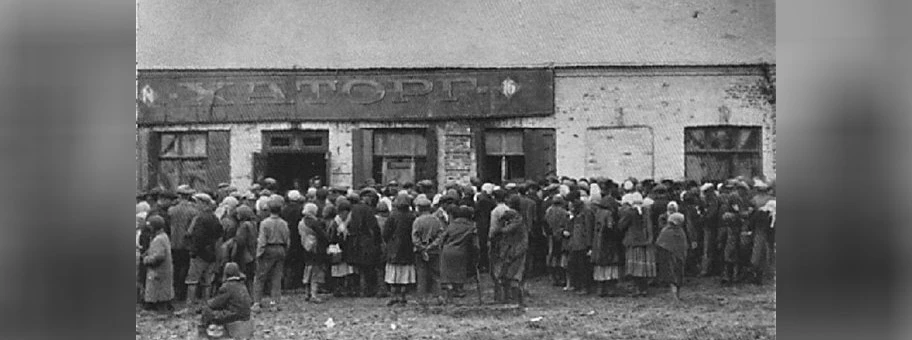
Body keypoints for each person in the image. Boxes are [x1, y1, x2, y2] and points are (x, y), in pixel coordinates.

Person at [182, 193, 224, 313]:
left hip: (200, 254)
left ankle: (189, 307)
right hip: (211, 253)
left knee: (192, 281)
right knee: (207, 282)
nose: (195, 205)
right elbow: (219, 235)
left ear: (203, 203)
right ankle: (206, 305)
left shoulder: (200, 218)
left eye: (197, 202)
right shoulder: (214, 217)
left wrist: (193, 251)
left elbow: (198, 237)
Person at [252, 195, 290, 310]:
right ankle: (274, 303)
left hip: (268, 249)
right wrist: (285, 250)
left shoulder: (265, 223)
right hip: (280, 249)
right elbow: (287, 239)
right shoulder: (284, 223)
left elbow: (262, 240)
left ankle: (257, 302)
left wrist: (259, 253)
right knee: (277, 277)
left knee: (260, 277)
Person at [435, 205, 479, 304]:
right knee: (459, 271)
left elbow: (443, 238)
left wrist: (441, 247)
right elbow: (475, 244)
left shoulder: (452, 225)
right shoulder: (471, 226)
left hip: (447, 250)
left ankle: (449, 294)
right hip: (461, 251)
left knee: (448, 273)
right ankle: (459, 290)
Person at [198, 262, 252, 337]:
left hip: (235, 316)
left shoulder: (227, 286)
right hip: (245, 316)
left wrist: (206, 304)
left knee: (207, 310)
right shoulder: (242, 284)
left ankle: (206, 335)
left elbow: (215, 303)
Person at [345, 194, 385, 297]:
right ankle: (367, 290)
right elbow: (374, 227)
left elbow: (348, 225)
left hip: (355, 241)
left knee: (359, 268)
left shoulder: (353, 210)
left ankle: (358, 289)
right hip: (367, 241)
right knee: (368, 267)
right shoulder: (368, 210)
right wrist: (378, 241)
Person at [382, 193, 418, 306]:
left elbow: (386, 233)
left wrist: (389, 242)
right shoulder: (412, 216)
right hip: (407, 248)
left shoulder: (392, 216)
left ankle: (394, 296)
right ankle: (402, 296)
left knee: (393, 273)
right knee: (405, 273)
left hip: (394, 248)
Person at [490, 203, 528, 306]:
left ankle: (515, 300)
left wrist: (498, 230)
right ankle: (508, 299)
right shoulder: (516, 222)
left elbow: (505, 231)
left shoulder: (517, 223)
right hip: (510, 252)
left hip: (517, 252)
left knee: (514, 277)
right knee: (506, 276)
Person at [411, 195, 445, 305]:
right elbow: (440, 235)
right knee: (435, 274)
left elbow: (414, 237)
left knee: (421, 274)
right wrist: (432, 246)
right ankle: (438, 296)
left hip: (420, 252)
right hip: (434, 251)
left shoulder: (417, 221)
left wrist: (422, 248)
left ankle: (422, 298)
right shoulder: (436, 220)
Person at [167, 185, 199, 302]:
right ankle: (182, 292)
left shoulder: (172, 210)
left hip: (173, 242)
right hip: (186, 244)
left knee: (175, 268)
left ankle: (175, 291)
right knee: (185, 267)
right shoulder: (194, 211)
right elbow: (192, 230)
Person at [619, 193, 654, 297]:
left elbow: (621, 226)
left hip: (633, 242)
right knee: (643, 268)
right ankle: (644, 289)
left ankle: (636, 289)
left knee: (634, 268)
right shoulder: (646, 211)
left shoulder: (630, 212)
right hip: (645, 242)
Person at [589, 194, 624, 297]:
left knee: (599, 266)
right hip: (607, 243)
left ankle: (600, 289)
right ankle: (610, 289)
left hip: (597, 242)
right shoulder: (609, 214)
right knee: (609, 265)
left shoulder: (598, 213)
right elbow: (610, 228)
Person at [142, 215, 174, 314]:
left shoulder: (158, 239)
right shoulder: (164, 236)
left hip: (158, 271)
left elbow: (159, 256)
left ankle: (160, 311)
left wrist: (146, 259)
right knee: (163, 293)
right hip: (164, 270)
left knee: (158, 293)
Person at [299, 203, 329, 303]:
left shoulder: (302, 222)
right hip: (315, 248)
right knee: (315, 271)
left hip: (305, 246)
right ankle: (314, 294)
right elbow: (322, 235)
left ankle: (307, 293)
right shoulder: (314, 222)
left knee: (307, 269)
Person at [566, 191, 594, 295]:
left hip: (583, 244)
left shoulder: (586, 212)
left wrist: (589, 245)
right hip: (575, 243)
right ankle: (577, 285)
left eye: (572, 201)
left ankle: (585, 287)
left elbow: (589, 228)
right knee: (575, 265)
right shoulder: (576, 212)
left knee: (583, 267)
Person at [656, 212, 688, 299]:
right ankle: (675, 295)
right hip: (674, 257)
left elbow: (660, 243)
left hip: (672, 257)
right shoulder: (679, 232)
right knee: (675, 275)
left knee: (674, 275)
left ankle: (676, 295)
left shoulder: (667, 230)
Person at [326, 199, 355, 297]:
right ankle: (337, 288)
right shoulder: (335, 222)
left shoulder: (350, 221)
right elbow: (331, 236)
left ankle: (348, 288)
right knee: (337, 269)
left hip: (348, 248)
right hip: (338, 248)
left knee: (348, 270)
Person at [280, 190, 306, 292]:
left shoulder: (284, 210)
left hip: (288, 236)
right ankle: (298, 282)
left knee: (287, 261)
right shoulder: (301, 210)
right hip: (298, 236)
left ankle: (287, 283)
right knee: (299, 260)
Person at [544, 195, 570, 287]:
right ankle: (561, 277)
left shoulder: (548, 211)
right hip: (561, 236)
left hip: (551, 236)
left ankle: (553, 277)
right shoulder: (564, 212)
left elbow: (545, 223)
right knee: (560, 256)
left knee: (552, 256)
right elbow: (567, 224)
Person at [233, 205, 258, 294]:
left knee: (245, 276)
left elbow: (240, 240)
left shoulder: (244, 226)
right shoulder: (253, 224)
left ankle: (247, 295)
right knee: (251, 277)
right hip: (253, 252)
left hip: (245, 253)